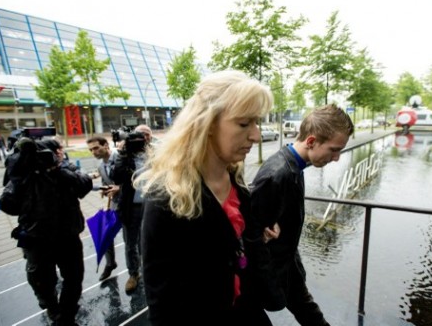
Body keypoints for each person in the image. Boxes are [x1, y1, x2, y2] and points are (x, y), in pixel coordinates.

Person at [134, 70, 273, 325]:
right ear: (207, 124)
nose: (256, 135)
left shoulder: (237, 182)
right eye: (244, 124)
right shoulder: (168, 196)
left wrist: (257, 236)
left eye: (257, 123)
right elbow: (160, 295)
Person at [241, 104, 354, 325]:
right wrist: (271, 289)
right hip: (272, 271)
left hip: (286, 264)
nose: (337, 157)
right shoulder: (278, 175)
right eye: (334, 149)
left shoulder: (294, 166)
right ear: (311, 141)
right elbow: (252, 240)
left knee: (308, 311)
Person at [3, 138, 92, 325]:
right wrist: (20, 175)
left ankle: (66, 314)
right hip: (37, 239)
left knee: (74, 278)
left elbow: (84, 185)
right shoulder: (26, 174)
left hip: (68, 236)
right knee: (41, 280)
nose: (60, 152)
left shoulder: (65, 169)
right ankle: (52, 308)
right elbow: (8, 204)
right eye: (56, 149)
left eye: (60, 149)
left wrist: (58, 171)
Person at [110, 124, 152, 294]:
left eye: (146, 135)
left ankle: (148, 271)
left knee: (149, 242)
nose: (143, 139)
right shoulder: (124, 156)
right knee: (130, 244)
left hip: (151, 205)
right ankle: (133, 274)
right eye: (139, 136)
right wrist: (122, 153)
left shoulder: (156, 154)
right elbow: (116, 176)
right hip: (131, 207)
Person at [86, 136, 120, 280]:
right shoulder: (101, 166)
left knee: (134, 240)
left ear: (106, 145)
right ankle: (110, 263)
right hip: (114, 204)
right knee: (103, 232)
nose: (93, 152)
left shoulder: (121, 157)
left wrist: (120, 188)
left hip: (131, 205)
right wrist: (105, 190)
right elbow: (107, 182)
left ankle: (136, 270)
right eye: (91, 150)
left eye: (96, 148)